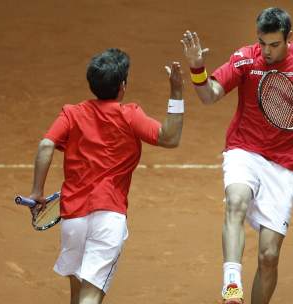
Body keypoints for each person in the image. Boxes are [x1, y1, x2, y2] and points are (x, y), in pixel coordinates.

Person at [181, 7, 293, 304]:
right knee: (235, 201)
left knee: (269, 256)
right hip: (243, 149)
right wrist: (197, 68)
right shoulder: (245, 58)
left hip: (283, 162)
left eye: (274, 44)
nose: (266, 51)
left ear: (289, 38)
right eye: (262, 42)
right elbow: (209, 95)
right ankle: (232, 287)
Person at [28, 48, 185, 304]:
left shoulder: (71, 113)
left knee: (77, 291)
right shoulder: (129, 114)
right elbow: (170, 137)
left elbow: (46, 145)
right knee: (90, 295)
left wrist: (36, 192)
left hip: (73, 218)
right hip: (109, 216)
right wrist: (176, 92)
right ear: (122, 86)